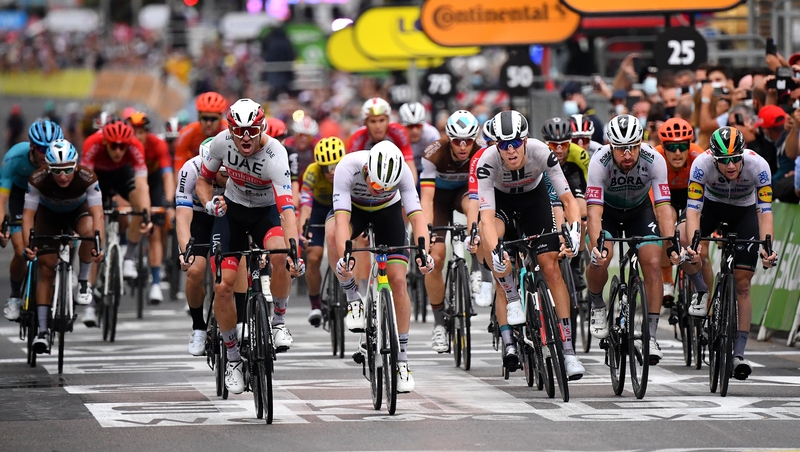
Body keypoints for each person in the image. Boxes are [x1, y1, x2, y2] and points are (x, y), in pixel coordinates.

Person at [196, 98, 304, 395]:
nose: (245, 137)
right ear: (230, 129)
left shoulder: (275, 155)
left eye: (251, 130)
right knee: (223, 287)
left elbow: (287, 209)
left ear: (261, 128)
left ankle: (279, 321)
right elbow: (203, 181)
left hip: (265, 213)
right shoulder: (220, 143)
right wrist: (208, 203)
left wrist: (294, 249)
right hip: (231, 212)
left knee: (280, 255)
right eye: (238, 130)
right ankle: (232, 359)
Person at [475, 110, 585, 379]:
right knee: (498, 249)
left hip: (534, 202)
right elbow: (486, 220)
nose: (510, 150)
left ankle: (568, 351)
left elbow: (568, 200)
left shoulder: (540, 152)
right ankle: (512, 294)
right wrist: (495, 250)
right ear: (496, 145)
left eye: (515, 143)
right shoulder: (487, 162)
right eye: (503, 145)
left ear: (525, 140)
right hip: (502, 206)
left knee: (551, 268)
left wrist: (574, 231)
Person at [326, 141, 433, 393]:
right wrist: (346, 257)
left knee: (397, 280)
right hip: (355, 211)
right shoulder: (347, 167)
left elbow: (418, 219)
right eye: (375, 184)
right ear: (367, 170)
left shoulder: (403, 172)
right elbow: (342, 221)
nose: (379, 189)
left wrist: (424, 253)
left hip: (388, 212)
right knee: (332, 235)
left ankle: (402, 360)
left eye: (386, 186)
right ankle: (353, 297)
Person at [675, 127, 777, 380]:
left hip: (744, 212)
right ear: (714, 159)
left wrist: (767, 247)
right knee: (684, 239)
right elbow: (693, 210)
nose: (730, 165)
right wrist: (695, 243)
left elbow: (764, 211)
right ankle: (701, 290)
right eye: (723, 160)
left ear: (743, 155)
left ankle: (739, 354)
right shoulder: (701, 165)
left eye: (735, 159)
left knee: (742, 285)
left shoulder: (759, 166)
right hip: (712, 207)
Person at [585, 114, 675, 365]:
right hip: (608, 212)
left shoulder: (654, 159)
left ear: (640, 143)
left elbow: (663, 204)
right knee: (601, 259)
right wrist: (597, 246)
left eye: (633, 147)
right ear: (611, 146)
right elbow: (594, 211)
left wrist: (670, 239)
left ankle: (651, 335)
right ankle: (597, 304)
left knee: (653, 261)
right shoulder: (599, 161)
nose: (627, 154)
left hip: (639, 210)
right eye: (621, 149)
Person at [21, 140, 105, 351]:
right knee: (47, 268)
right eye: (56, 171)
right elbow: (28, 216)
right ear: (47, 168)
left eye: (68, 169)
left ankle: (84, 281)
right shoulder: (37, 179)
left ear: (76, 166)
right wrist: (28, 246)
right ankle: (42, 331)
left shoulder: (88, 178)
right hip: (48, 217)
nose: (63, 176)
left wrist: (98, 245)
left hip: (78, 213)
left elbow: (98, 215)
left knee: (88, 233)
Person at [421, 110, 482, 353]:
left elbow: (481, 198)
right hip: (439, 200)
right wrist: (425, 232)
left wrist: (476, 232)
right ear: (449, 138)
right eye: (457, 140)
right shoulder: (433, 153)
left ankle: (477, 268)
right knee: (435, 258)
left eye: (468, 140)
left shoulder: (481, 151)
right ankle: (438, 324)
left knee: (474, 211)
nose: (464, 146)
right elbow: (426, 200)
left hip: (465, 195)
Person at [1, 120, 63, 321]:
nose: (45, 154)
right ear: (31, 146)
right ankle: (15, 296)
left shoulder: (63, 157)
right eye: (40, 148)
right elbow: (2, 200)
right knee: (21, 251)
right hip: (21, 196)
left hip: (48, 198)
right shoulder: (14, 158)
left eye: (50, 148)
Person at [81, 119, 153, 286]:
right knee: (93, 230)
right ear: (105, 141)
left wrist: (146, 215)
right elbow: (85, 182)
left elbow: (142, 185)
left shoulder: (135, 145)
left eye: (123, 146)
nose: (119, 151)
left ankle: (129, 257)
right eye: (114, 146)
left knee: (140, 205)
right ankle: (90, 294)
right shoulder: (92, 143)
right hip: (97, 177)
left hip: (121, 175)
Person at [175, 137, 228, 355]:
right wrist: (186, 250)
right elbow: (182, 216)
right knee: (195, 271)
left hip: (226, 217)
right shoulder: (190, 169)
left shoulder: (234, 167)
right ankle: (198, 327)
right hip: (198, 218)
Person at [654, 118, 705, 306]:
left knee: (703, 250)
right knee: (665, 229)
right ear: (663, 146)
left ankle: (706, 305)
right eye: (671, 147)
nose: (677, 153)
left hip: (691, 196)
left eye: (682, 146)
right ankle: (667, 280)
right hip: (665, 196)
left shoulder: (699, 157)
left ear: (689, 145)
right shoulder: (655, 157)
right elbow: (654, 200)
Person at [127, 112, 176, 303]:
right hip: (130, 180)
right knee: (123, 214)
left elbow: (167, 175)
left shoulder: (158, 144)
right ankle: (124, 250)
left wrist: (169, 200)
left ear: (147, 132)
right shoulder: (123, 146)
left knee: (155, 231)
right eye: (133, 132)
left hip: (153, 181)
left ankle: (155, 283)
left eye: (141, 132)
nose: (137, 136)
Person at [297, 137, 344, 327]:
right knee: (314, 256)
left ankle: (352, 291)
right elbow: (305, 205)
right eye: (326, 168)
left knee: (346, 249)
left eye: (335, 166)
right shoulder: (312, 172)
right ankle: (315, 304)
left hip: (340, 208)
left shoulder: (348, 169)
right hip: (317, 210)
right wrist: (303, 228)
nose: (331, 172)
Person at [541, 117, 590, 292]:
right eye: (554, 145)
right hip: (549, 183)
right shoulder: (540, 154)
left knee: (583, 215)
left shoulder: (580, 154)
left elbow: (590, 184)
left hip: (572, 181)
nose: (560, 150)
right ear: (546, 144)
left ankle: (576, 265)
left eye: (564, 145)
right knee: (556, 217)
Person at [347, 97, 418, 180]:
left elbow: (410, 167)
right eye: (373, 121)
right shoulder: (357, 138)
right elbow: (350, 172)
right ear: (365, 123)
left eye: (381, 120)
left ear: (388, 120)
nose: (378, 126)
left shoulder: (399, 132)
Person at [173, 92, 228, 172]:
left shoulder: (228, 131)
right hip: (195, 171)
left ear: (221, 118)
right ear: (198, 117)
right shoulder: (186, 133)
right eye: (205, 118)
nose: (209, 123)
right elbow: (179, 168)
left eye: (213, 119)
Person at [398, 102, 441, 179]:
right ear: (401, 125)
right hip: (404, 171)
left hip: (427, 170)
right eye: (410, 126)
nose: (415, 131)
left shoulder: (431, 134)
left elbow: (437, 163)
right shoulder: (396, 135)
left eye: (418, 125)